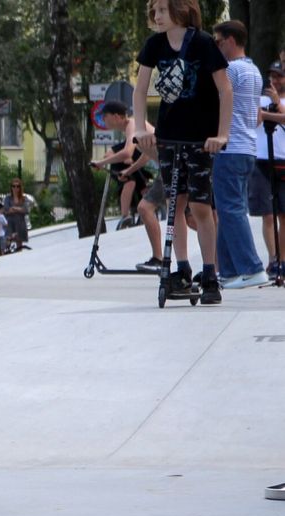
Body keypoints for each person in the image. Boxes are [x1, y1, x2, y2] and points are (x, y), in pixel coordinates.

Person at [134, 0, 231, 305]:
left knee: (201, 207)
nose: (157, 16)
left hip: (200, 140)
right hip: (168, 136)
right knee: (174, 203)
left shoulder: (202, 44)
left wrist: (221, 134)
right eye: (155, 11)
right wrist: (140, 129)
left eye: (162, 10)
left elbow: (225, 90)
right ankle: (183, 268)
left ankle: (210, 273)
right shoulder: (155, 45)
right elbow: (140, 89)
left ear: (180, 10)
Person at [211, 20, 268, 289]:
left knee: (230, 209)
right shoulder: (254, 70)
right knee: (228, 208)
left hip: (230, 148)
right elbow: (257, 117)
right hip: (247, 147)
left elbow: (215, 101)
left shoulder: (230, 70)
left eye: (219, 42)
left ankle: (252, 267)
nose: (216, 47)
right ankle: (231, 271)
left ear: (231, 41)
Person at [92, 101, 151, 229]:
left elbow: (127, 153)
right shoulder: (131, 129)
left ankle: (127, 216)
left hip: (171, 164)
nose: (103, 120)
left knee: (148, 208)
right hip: (166, 164)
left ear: (116, 116)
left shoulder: (133, 125)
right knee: (146, 208)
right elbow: (147, 155)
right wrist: (129, 170)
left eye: (105, 116)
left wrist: (101, 163)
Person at [252, 61, 285, 276]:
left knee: (284, 214)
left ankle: (283, 259)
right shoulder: (260, 100)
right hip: (261, 160)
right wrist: (265, 111)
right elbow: (253, 120)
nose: (274, 81)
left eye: (279, 77)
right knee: (266, 213)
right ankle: (273, 259)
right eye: (272, 76)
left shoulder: (276, 101)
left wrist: (273, 108)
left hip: (282, 160)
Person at [1, 179, 31, 252]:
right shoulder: (8, 198)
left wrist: (14, 208)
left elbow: (26, 210)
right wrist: (19, 209)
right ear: (11, 187)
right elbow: (6, 210)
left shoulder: (23, 198)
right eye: (13, 186)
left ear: (20, 188)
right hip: (10, 223)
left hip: (20, 223)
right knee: (8, 242)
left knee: (19, 244)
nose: (15, 188)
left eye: (18, 186)